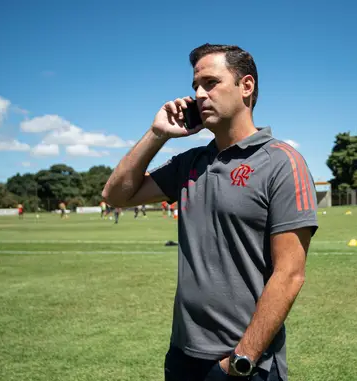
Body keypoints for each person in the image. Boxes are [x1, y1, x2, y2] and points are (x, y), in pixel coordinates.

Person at [102, 43, 318, 381]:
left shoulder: (281, 163)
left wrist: (241, 359)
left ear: (246, 86)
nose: (199, 95)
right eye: (195, 87)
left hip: (244, 364)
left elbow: (290, 274)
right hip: (182, 355)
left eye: (210, 83)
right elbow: (116, 195)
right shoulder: (191, 162)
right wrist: (157, 134)